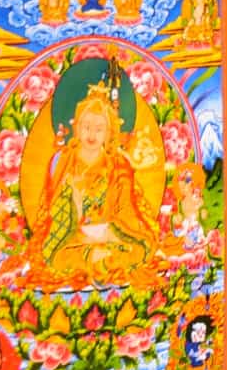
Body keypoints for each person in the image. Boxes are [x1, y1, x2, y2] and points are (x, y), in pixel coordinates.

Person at [31, 77, 154, 283]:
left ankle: (101, 261)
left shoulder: (118, 166)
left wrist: (110, 233)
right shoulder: (62, 162)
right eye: (86, 126)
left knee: (139, 250)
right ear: (77, 128)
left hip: (110, 237)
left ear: (109, 133)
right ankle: (98, 262)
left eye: (99, 128)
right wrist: (75, 209)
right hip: (72, 240)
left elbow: (127, 212)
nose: (92, 134)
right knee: (58, 258)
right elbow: (54, 216)